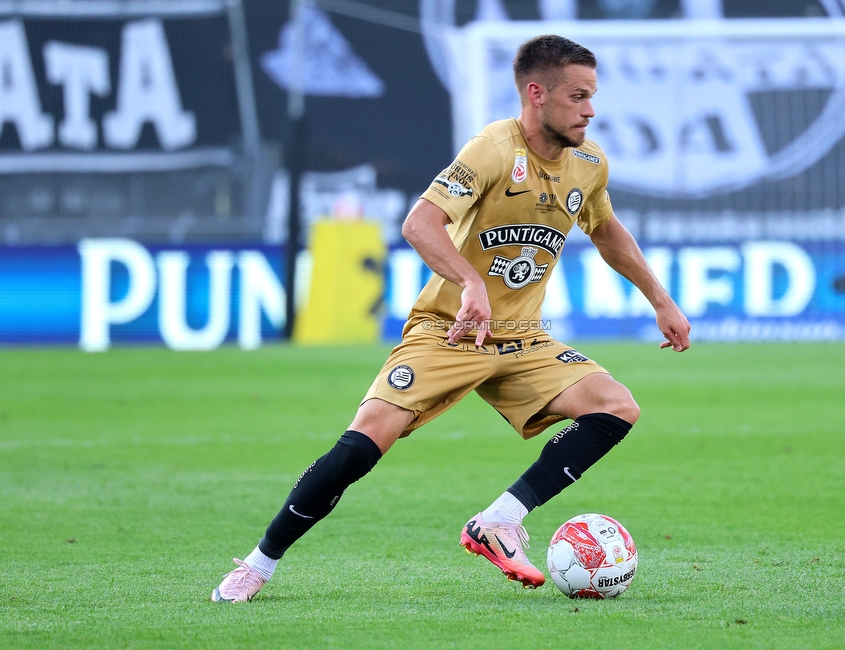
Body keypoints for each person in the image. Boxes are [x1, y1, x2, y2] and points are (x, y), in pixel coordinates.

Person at [211, 34, 691, 603]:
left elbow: (606, 230)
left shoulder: (588, 164)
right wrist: (470, 284)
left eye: (593, 95)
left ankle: (500, 520)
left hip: (521, 339)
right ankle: (259, 564)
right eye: (578, 96)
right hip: (451, 330)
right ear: (536, 94)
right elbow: (420, 223)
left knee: (615, 407)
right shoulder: (492, 149)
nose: (590, 109)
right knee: (360, 447)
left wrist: (660, 299)